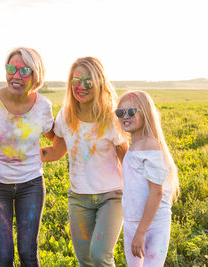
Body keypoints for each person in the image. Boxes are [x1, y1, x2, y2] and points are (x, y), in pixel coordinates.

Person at [0, 47, 54, 266]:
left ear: (36, 75)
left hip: (31, 185)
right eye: (11, 69)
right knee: (4, 256)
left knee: (27, 252)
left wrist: (42, 155)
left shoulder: (43, 106)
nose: (16, 76)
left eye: (25, 71)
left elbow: (57, 138)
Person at [41, 57, 128, 267]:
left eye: (87, 81)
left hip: (111, 197)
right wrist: (19, 156)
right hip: (79, 199)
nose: (80, 87)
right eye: (75, 81)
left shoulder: (111, 118)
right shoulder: (66, 116)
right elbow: (55, 152)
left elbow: (127, 160)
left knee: (100, 256)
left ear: (99, 83)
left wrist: (144, 192)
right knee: (85, 260)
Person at [115, 90, 179, 267]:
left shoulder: (151, 145)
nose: (125, 117)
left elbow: (156, 193)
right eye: (120, 112)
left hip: (153, 224)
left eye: (131, 112)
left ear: (146, 113)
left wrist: (141, 231)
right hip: (132, 221)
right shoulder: (134, 144)